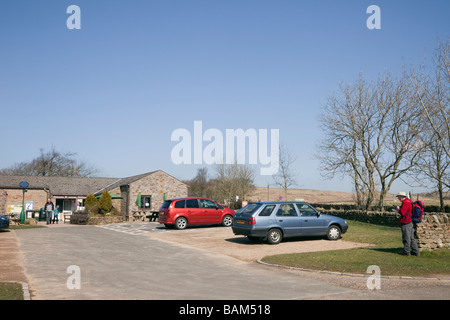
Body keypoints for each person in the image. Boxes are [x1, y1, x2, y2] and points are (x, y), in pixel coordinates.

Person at [396, 192, 420, 256]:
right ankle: (416, 251)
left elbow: (403, 213)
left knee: (406, 238)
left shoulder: (405, 203)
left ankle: (406, 252)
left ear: (401, 196)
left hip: (406, 222)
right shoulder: (409, 201)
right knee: (411, 238)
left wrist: (398, 209)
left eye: (398, 197)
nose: (398, 198)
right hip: (410, 221)